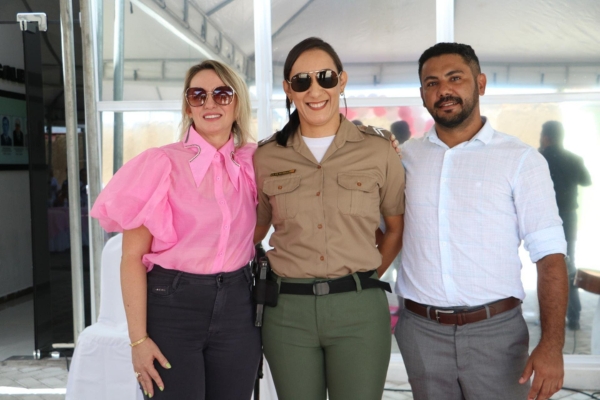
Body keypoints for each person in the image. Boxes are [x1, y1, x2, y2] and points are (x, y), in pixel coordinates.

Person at [395, 42, 568, 400]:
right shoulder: (404, 158)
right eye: (431, 83)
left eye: (454, 78)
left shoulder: (521, 160)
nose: (443, 90)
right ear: (423, 95)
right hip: (421, 333)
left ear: (480, 83)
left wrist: (552, 346)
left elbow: (550, 257)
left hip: (497, 334)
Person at [91, 60, 261, 399]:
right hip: (173, 308)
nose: (210, 103)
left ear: (237, 102)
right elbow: (132, 258)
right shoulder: (159, 165)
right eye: (198, 95)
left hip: (239, 309)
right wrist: (138, 340)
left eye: (222, 94)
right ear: (188, 105)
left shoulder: (255, 161)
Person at [254, 37, 405, 400]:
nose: (315, 89)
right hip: (287, 313)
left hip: (359, 311)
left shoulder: (379, 150)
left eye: (325, 77)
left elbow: (395, 228)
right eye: (302, 81)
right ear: (289, 90)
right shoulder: (265, 157)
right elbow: (250, 232)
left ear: (342, 80)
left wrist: (359, 279)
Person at [539, 120, 591, 331]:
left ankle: (549, 319)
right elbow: (586, 181)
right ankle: (574, 317)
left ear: (545, 136)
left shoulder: (539, 158)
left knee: (546, 266)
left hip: (545, 219)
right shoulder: (573, 159)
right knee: (568, 265)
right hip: (568, 218)